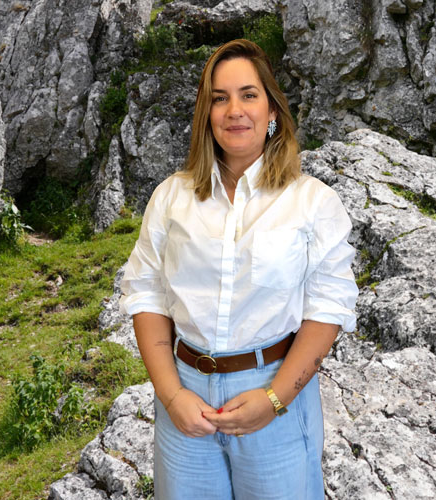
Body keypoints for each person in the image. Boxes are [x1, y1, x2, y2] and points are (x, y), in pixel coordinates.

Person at [119, 39, 358, 500]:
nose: (235, 110)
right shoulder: (172, 197)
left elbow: (328, 309)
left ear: (272, 111)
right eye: (219, 97)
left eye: (249, 95)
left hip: (275, 392)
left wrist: (273, 400)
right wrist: (171, 397)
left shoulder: (312, 202)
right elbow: (146, 292)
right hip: (184, 396)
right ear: (206, 115)